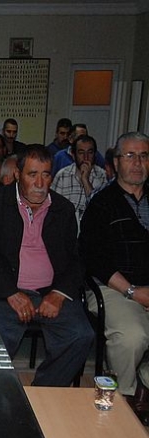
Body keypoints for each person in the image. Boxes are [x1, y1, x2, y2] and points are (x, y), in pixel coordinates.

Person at [0, 144, 94, 386]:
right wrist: (10, 293)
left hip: (50, 292)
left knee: (80, 335)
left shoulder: (63, 209)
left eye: (46, 174)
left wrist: (58, 294)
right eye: (32, 174)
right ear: (17, 174)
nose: (40, 183)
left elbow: (76, 260)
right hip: (8, 292)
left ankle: (44, 391)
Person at [79, 132, 149, 418]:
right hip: (115, 288)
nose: (138, 163)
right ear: (116, 162)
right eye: (130, 156)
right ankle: (124, 402)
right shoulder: (102, 203)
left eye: (144, 156)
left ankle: (145, 379)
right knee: (132, 336)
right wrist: (133, 291)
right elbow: (93, 259)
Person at [51, 134, 108, 224]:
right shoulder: (62, 175)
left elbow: (100, 210)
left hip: (91, 226)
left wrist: (85, 180)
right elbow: (53, 208)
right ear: (73, 155)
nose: (86, 157)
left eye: (90, 152)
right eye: (81, 153)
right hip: (66, 226)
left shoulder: (102, 176)